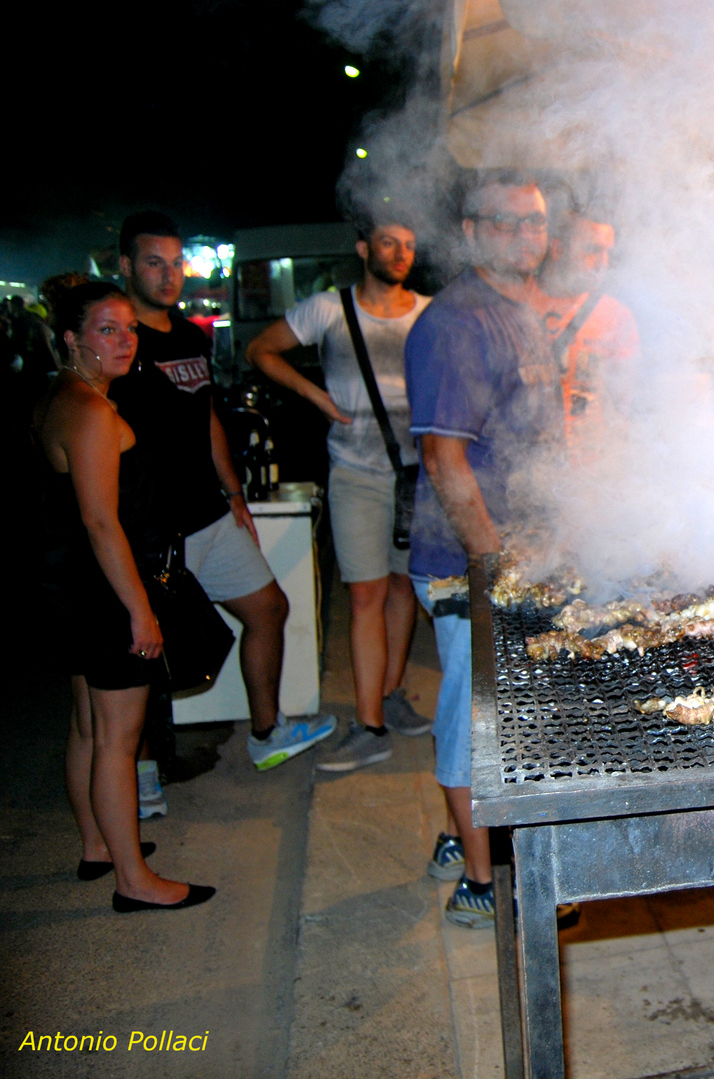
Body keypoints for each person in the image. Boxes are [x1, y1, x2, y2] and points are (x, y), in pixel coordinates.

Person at [112, 212, 335, 771]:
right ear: (125, 267)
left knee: (269, 608)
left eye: (175, 263)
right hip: (149, 529)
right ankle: (141, 778)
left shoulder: (189, 334)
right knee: (145, 655)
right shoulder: (117, 346)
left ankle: (266, 734)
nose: (168, 276)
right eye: (153, 263)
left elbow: (205, 411)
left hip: (209, 514)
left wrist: (234, 491)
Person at [405, 171, 565, 929]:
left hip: (522, 546)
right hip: (469, 557)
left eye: (532, 223)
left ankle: (455, 834)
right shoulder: (457, 321)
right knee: (482, 717)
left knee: (486, 707)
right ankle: (480, 883)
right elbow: (444, 458)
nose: (522, 236)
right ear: (468, 232)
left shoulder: (522, 311)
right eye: (503, 224)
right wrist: (493, 568)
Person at [38, 281, 213, 911]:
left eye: (129, 329)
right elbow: (100, 520)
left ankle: (97, 846)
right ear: (72, 339)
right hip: (103, 592)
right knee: (117, 738)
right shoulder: (90, 411)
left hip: (71, 587)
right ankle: (133, 882)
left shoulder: (62, 397)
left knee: (87, 727)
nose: (124, 340)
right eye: (107, 329)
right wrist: (140, 609)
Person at [246, 216, 433, 773]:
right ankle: (369, 724)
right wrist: (319, 398)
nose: (399, 253)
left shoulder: (426, 313)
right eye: (388, 243)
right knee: (365, 596)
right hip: (355, 473)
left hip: (415, 475)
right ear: (363, 249)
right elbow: (262, 350)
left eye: (408, 245)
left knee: (405, 588)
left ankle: (390, 694)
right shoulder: (329, 308)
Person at [532, 208, 638, 449]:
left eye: (607, 252)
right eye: (592, 250)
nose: (603, 263)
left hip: (587, 468)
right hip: (524, 463)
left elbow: (622, 408)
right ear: (557, 249)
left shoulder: (617, 317)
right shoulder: (518, 304)